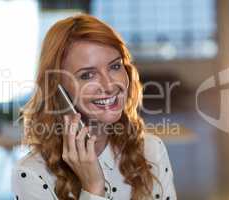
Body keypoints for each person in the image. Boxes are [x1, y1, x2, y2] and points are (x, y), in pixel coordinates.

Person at [11, 14, 177, 200]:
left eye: (115, 67)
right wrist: (93, 189)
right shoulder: (32, 174)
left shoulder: (151, 149)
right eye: (87, 75)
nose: (109, 86)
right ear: (57, 89)